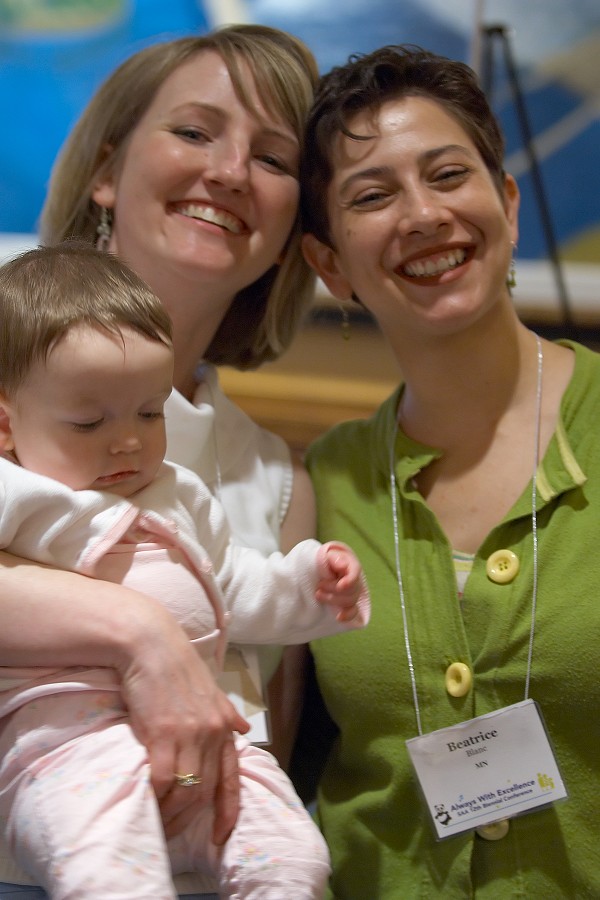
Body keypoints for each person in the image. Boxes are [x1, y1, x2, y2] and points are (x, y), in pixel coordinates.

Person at [0, 24, 319, 898]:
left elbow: (266, 755)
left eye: (274, 158)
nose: (228, 171)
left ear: (295, 227)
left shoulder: (276, 477)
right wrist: (139, 634)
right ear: (106, 171)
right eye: (194, 131)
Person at [297, 44, 600, 898]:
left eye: (447, 175)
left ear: (506, 202)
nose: (423, 215)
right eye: (372, 195)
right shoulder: (329, 480)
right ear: (330, 265)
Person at [0, 243, 370, 899]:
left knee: (294, 856)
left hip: (215, 754)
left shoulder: (179, 493)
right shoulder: (16, 493)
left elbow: (235, 583)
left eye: (150, 412)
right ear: (6, 425)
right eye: (89, 421)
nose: (129, 441)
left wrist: (313, 585)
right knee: (113, 874)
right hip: (69, 754)